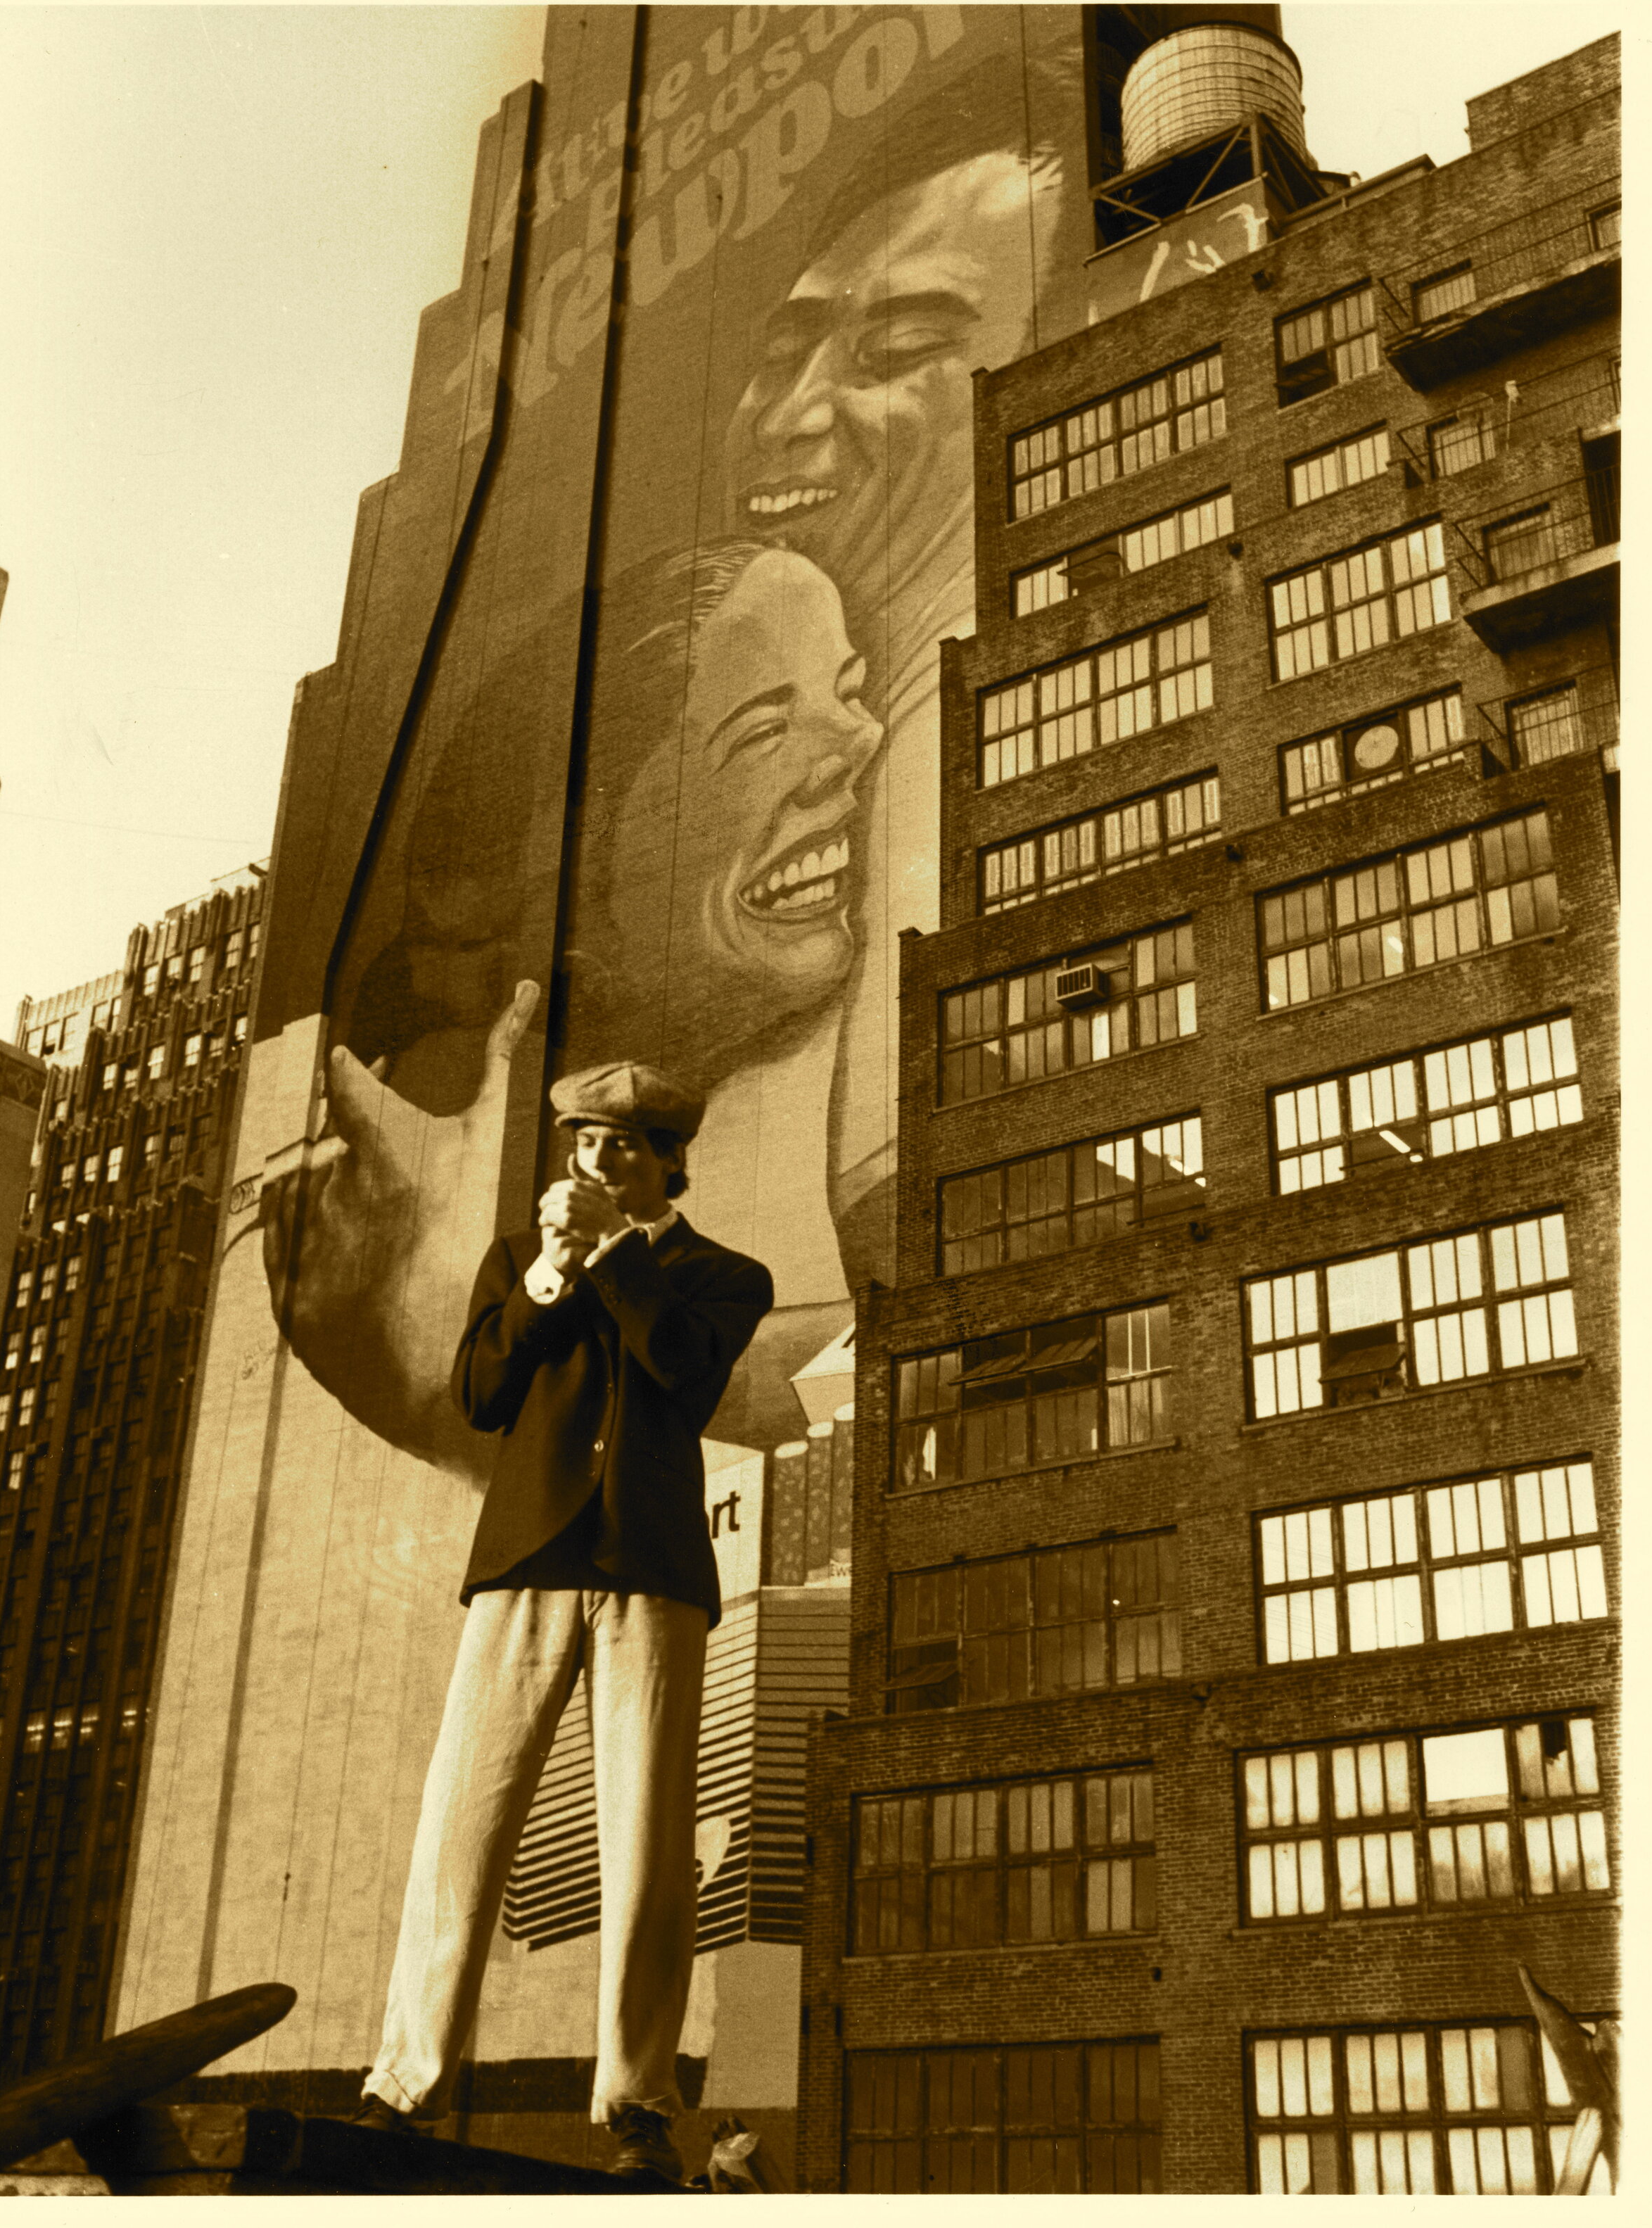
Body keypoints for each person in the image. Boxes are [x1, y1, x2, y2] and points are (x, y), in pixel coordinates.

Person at [266, 540, 879, 1462]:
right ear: (567, 874)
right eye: (763, 731)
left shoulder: (873, 1080)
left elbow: (779, 1376)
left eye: (852, 689)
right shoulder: (376, 1180)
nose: (861, 741)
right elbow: (772, 1378)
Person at [353, 1060, 774, 2180]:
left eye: (622, 1144)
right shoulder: (517, 1260)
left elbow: (683, 1376)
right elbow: (482, 1394)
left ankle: (638, 2101)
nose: (595, 1158)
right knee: (462, 1821)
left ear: (669, 1159)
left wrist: (615, 1255)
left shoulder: (725, 1274)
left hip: (654, 1569)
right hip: (526, 1561)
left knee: (648, 1841)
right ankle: (405, 2079)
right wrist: (547, 1272)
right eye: (583, 1139)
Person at [723, 61, 1067, 1289]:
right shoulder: (816, 802)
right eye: (785, 350)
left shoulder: (1009, 749)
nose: (792, 413)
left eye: (905, 345)